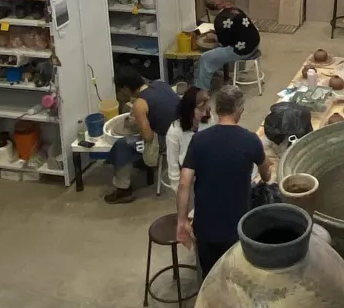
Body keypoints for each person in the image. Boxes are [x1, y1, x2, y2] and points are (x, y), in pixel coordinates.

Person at [176, 87, 269, 276]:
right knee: (236, 277)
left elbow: (184, 183)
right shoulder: (250, 140)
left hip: (206, 229)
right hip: (237, 230)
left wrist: (182, 220)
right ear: (239, 110)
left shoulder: (199, 140)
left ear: (217, 109)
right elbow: (266, 174)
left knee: (211, 277)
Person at [104, 67, 180, 205]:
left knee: (122, 145)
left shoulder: (140, 104)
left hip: (169, 141)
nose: (119, 95)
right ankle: (141, 164)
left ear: (126, 89)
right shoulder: (160, 84)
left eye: (119, 91)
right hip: (183, 131)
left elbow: (149, 137)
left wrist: (139, 124)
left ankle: (123, 190)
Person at [194, 5, 261, 91]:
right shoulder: (235, 10)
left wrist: (215, 37)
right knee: (215, 54)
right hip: (254, 43)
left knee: (205, 58)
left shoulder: (220, 20)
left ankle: (202, 90)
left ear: (211, 11)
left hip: (243, 50)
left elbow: (223, 42)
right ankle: (214, 73)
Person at [164, 86, 211, 192]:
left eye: (206, 109)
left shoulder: (208, 119)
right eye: (200, 110)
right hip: (188, 178)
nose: (204, 114)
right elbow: (173, 167)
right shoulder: (174, 132)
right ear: (189, 109)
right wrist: (179, 191)